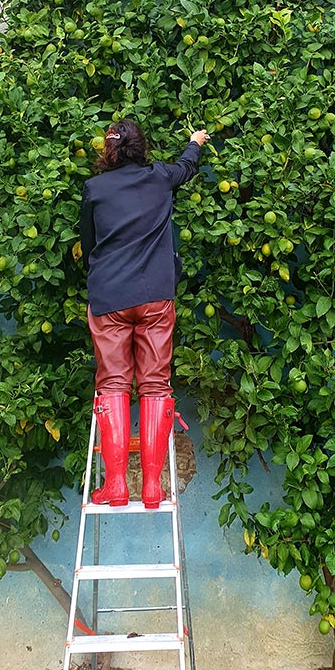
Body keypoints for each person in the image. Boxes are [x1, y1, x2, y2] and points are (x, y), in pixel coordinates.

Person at [79, 118, 210, 508]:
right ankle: (153, 488)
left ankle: (116, 486)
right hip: (155, 295)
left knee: (113, 384)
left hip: (109, 296)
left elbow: (88, 244)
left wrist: (101, 278)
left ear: (110, 151)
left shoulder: (95, 189)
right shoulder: (160, 177)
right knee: (155, 384)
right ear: (142, 148)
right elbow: (186, 166)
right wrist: (195, 141)